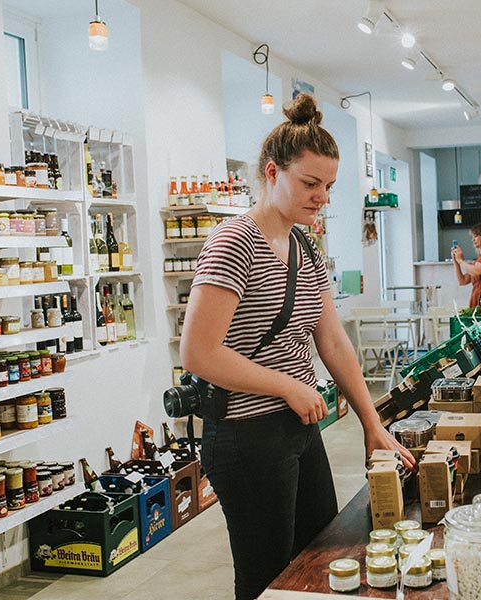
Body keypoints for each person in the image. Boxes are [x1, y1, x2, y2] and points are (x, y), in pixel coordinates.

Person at [180, 94, 415, 600]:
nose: (322, 197)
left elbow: (331, 339)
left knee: (319, 561)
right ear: (272, 173)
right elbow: (198, 352)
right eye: (311, 183)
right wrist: (287, 385)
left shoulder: (305, 244)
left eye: (328, 186)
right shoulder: (233, 243)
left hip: (299, 430)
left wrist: (372, 424)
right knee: (267, 579)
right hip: (245, 438)